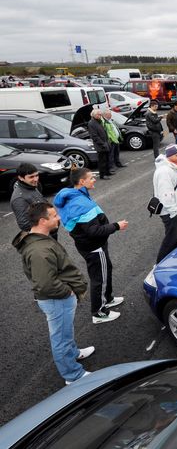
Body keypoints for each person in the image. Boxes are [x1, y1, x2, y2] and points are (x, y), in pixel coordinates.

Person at [12, 202, 93, 385]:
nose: (59, 218)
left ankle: (73, 355)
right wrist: (68, 291)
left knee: (65, 331)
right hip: (57, 299)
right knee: (61, 338)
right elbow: (46, 284)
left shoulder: (40, 240)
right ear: (42, 220)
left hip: (58, 298)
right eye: (54, 215)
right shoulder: (40, 250)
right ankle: (72, 376)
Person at [54, 167, 127, 324]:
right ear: (82, 181)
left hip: (90, 245)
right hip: (94, 247)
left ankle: (107, 299)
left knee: (106, 269)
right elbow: (93, 231)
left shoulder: (75, 194)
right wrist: (116, 226)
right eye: (91, 177)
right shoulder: (79, 203)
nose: (94, 179)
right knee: (99, 278)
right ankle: (99, 313)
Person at [153, 144, 177, 263]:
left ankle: (172, 263)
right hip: (172, 212)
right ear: (169, 156)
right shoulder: (164, 171)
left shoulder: (173, 166)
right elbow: (166, 194)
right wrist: (173, 213)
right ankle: (159, 266)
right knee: (171, 240)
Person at [11, 163, 58, 240]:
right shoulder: (19, 199)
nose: (36, 179)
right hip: (42, 237)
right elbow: (24, 224)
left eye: (37, 175)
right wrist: (46, 225)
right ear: (21, 178)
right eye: (31, 177)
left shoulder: (31, 186)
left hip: (49, 232)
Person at [87, 109, 112, 179]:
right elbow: (94, 136)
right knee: (102, 161)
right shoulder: (91, 123)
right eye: (99, 114)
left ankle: (107, 172)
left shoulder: (99, 121)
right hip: (100, 145)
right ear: (94, 115)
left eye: (100, 114)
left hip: (105, 143)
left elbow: (104, 132)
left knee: (107, 159)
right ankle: (102, 175)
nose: (100, 116)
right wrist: (102, 143)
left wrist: (107, 141)